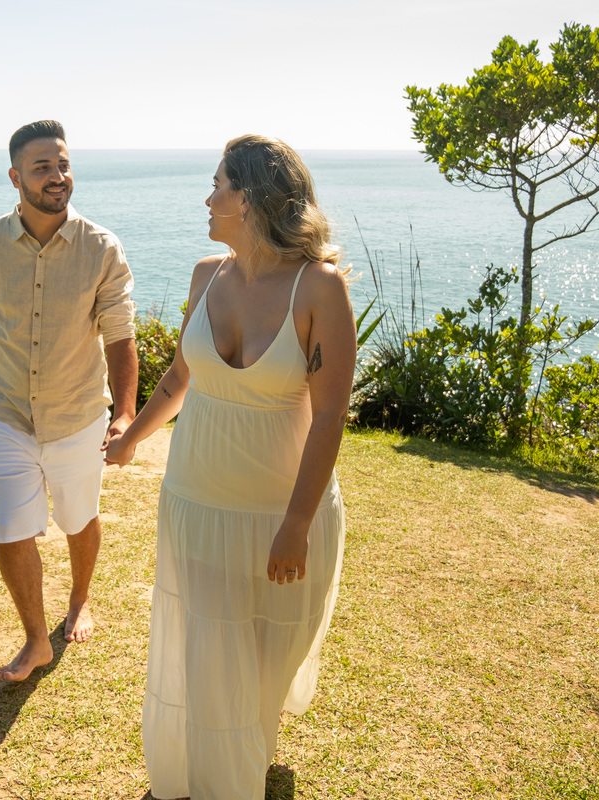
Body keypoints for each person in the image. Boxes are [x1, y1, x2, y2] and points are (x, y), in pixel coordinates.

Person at [104, 135, 353, 799]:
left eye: (217, 184)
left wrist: (297, 523)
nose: (207, 197)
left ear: (247, 198)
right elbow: (179, 377)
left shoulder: (318, 288)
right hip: (199, 502)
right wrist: (131, 435)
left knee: (268, 667)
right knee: (214, 662)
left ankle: (246, 757)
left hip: (285, 515)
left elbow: (329, 416)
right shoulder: (203, 275)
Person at [0, 120, 138, 683]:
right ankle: (36, 640)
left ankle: (80, 599)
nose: (57, 177)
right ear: (15, 178)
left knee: (78, 518)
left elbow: (119, 335)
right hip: (8, 414)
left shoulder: (101, 248)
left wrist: (126, 413)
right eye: (42, 168)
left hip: (78, 415)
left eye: (62, 165)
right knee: (11, 528)